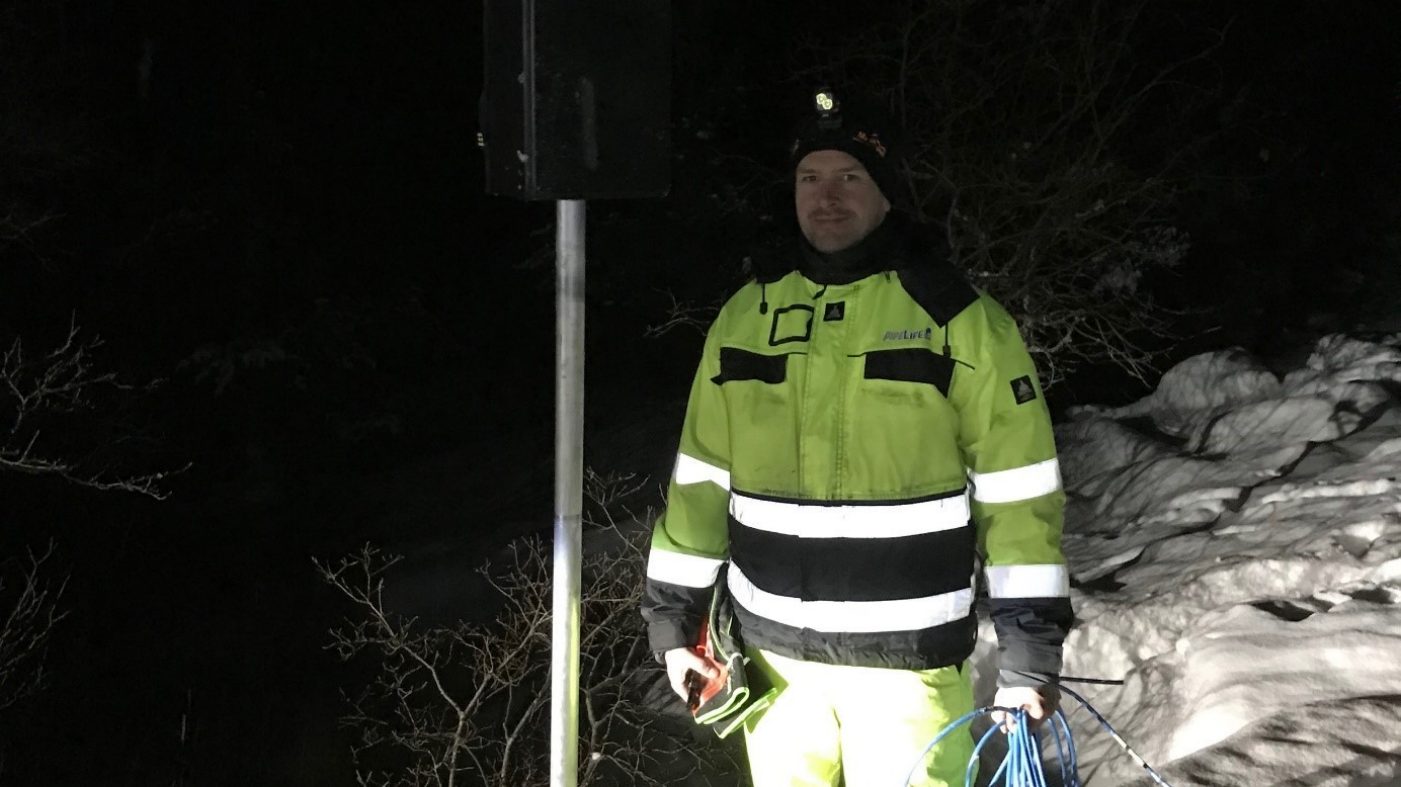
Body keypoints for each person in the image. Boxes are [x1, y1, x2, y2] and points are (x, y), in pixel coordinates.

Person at [641, 87, 1073, 786]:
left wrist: (1028, 654)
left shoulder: (957, 319)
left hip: (906, 671)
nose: (826, 197)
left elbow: (1019, 494)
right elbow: (699, 480)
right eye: (810, 178)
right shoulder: (745, 315)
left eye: (849, 177)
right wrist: (674, 626)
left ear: (885, 193)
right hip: (773, 671)